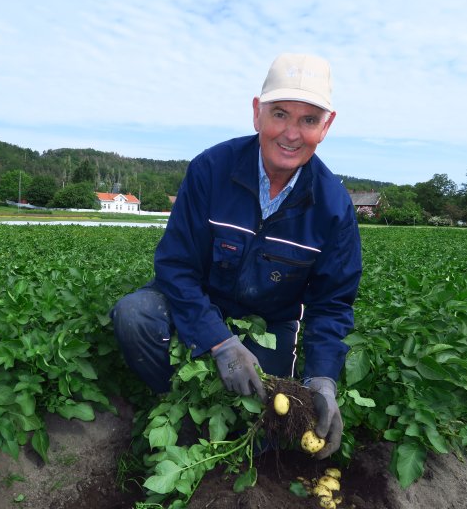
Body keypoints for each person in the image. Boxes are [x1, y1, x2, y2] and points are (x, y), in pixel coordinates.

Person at [111, 53, 362, 459]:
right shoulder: (211, 170)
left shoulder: (333, 207)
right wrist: (218, 341)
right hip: (200, 302)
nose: (292, 133)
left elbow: (331, 305)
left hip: (270, 322)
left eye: (309, 120)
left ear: (326, 127)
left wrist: (323, 380)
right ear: (256, 114)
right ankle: (176, 406)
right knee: (135, 315)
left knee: (262, 439)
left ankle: (233, 430)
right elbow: (175, 267)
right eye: (280, 114)